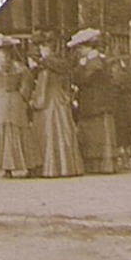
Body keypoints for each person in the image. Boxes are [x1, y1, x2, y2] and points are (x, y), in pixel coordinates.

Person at [0, 35, 40, 178]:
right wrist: (24, 99)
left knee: (3, 132)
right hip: (15, 99)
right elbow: (26, 88)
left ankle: (8, 169)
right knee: (20, 132)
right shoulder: (20, 67)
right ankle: (28, 165)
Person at [31, 33, 83, 178]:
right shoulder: (63, 64)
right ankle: (67, 166)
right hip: (61, 100)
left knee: (48, 132)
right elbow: (67, 85)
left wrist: (35, 101)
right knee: (63, 131)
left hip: (48, 101)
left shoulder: (45, 67)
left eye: (41, 48)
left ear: (44, 48)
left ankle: (50, 167)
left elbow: (42, 87)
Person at [68, 28, 120, 174]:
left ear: (87, 46)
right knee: (95, 133)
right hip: (95, 101)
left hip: (96, 102)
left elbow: (82, 79)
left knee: (96, 133)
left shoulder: (95, 63)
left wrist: (80, 66)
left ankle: (100, 165)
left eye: (80, 47)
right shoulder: (98, 60)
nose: (78, 51)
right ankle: (99, 164)